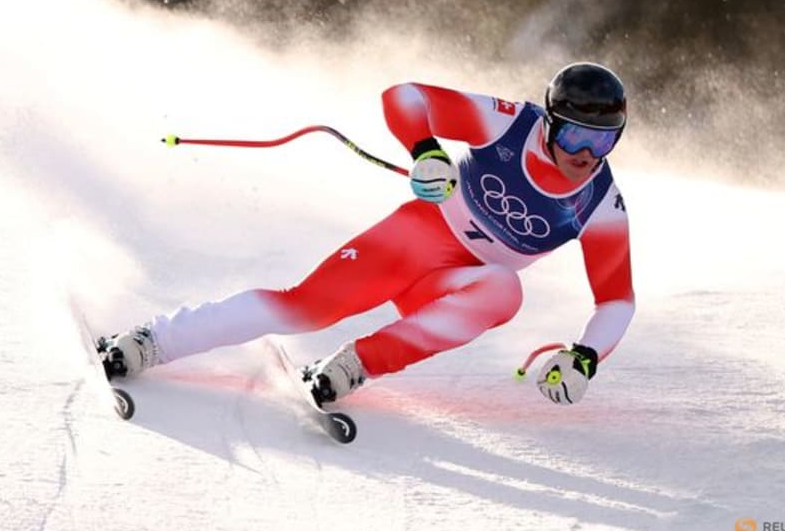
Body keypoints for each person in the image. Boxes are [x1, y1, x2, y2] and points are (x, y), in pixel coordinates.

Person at [101, 62, 634, 406]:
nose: (586, 154)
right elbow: (404, 96)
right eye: (575, 134)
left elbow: (617, 300)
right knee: (307, 307)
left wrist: (584, 356)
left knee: (506, 290)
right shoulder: (508, 123)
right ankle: (154, 341)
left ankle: (358, 363)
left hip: (454, 283)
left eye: (604, 141)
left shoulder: (600, 202)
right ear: (549, 122)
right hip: (416, 239)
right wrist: (425, 149)